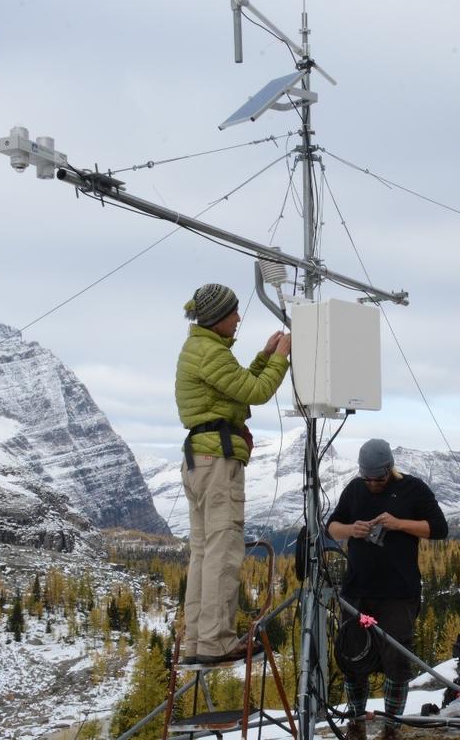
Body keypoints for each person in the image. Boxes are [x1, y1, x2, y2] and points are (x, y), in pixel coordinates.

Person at [176, 283, 291, 665]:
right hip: (217, 462)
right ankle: (216, 642)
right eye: (234, 313)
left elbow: (237, 390)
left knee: (204, 552)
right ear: (218, 318)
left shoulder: (202, 350)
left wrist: (263, 356)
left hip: (199, 461)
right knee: (223, 553)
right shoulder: (210, 353)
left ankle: (197, 640)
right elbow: (256, 393)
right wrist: (282, 359)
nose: (239, 319)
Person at [326, 439, 449, 740]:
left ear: (390, 469)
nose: (372, 484)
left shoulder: (414, 489)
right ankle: (356, 722)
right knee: (353, 657)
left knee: (396, 660)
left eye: (378, 479)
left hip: (398, 596)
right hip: (358, 595)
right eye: (367, 478)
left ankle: (391, 727)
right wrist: (351, 530)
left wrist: (398, 523)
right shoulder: (355, 489)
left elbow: (440, 529)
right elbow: (332, 526)